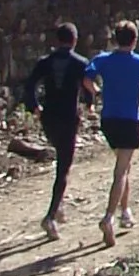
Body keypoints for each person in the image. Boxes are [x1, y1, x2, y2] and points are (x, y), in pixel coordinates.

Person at [91, 18, 139, 246]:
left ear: (114, 39)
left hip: (108, 119)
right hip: (129, 119)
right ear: (135, 40)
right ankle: (108, 217)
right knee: (120, 171)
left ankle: (126, 211)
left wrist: (97, 91)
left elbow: (86, 76)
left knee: (124, 164)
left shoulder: (103, 60)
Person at [22, 20, 91, 241]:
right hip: (68, 118)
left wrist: (34, 108)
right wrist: (88, 105)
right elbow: (88, 88)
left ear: (57, 40)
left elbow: (29, 85)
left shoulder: (45, 62)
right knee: (63, 168)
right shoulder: (80, 63)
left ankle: (58, 207)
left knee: (60, 159)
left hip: (49, 118)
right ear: (75, 40)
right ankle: (50, 216)